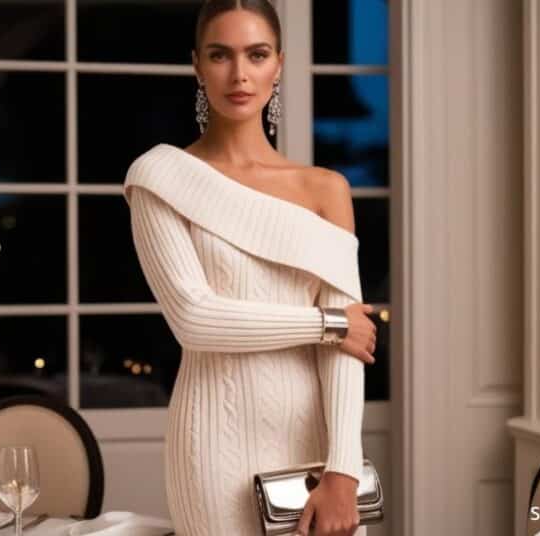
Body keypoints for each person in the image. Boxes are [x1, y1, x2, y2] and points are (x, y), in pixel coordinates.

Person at [122, 1, 378, 534]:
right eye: (221, 55)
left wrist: (343, 470)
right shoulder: (160, 177)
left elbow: (346, 358)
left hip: (316, 445)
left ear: (278, 64)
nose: (239, 74)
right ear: (197, 65)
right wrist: (329, 325)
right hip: (213, 447)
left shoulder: (326, 189)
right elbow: (195, 319)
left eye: (256, 55)